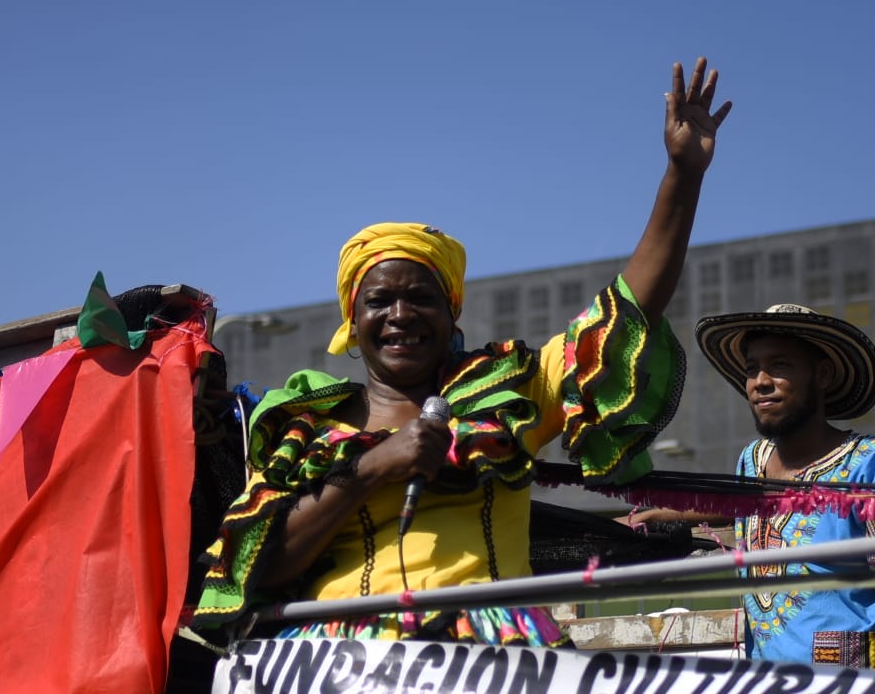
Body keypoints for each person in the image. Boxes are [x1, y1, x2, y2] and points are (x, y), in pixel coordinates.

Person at [189, 57, 732, 646]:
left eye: (421, 298)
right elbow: (257, 567)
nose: (400, 316)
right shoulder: (306, 425)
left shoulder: (508, 390)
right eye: (379, 302)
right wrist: (373, 467)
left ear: (453, 312)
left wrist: (683, 175)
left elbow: (625, 312)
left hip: (490, 660)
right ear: (353, 318)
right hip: (337, 664)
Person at [692, 304, 875, 672]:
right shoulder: (751, 461)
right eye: (751, 369)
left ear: (822, 374)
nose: (760, 381)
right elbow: (730, 505)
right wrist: (641, 519)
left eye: (779, 365)